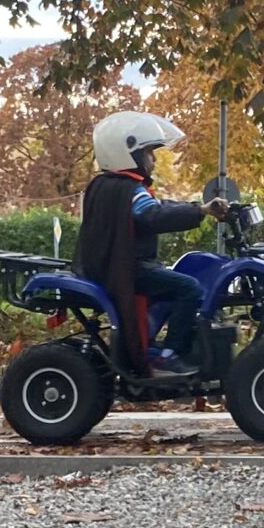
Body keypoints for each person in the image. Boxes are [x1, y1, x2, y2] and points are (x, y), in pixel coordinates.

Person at [75, 111, 206, 375]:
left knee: (175, 283)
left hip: (117, 265)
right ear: (129, 154)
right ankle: (169, 354)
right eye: (148, 152)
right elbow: (153, 215)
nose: (154, 159)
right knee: (190, 287)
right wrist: (201, 212)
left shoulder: (109, 185)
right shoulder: (129, 189)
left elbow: (158, 207)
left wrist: (194, 208)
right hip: (131, 269)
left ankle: (156, 342)